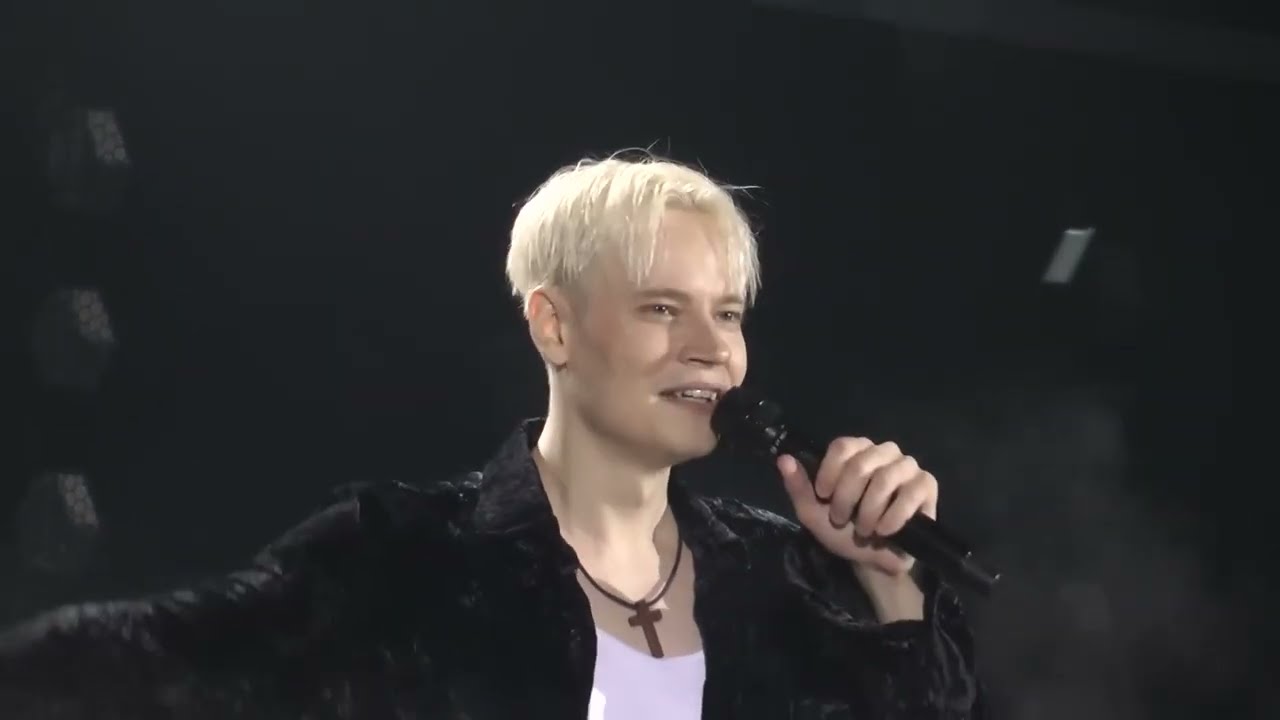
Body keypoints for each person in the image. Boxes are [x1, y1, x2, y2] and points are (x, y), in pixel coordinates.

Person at [0, 152, 984, 719]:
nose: (711, 349)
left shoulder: (783, 576)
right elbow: (137, 660)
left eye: (726, 314)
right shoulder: (398, 554)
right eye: (661, 309)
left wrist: (891, 585)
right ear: (553, 325)